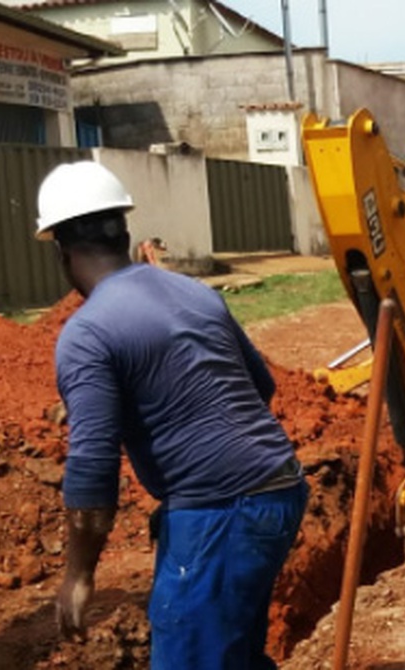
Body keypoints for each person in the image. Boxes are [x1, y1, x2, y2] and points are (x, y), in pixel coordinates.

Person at [36, 161, 307, 669]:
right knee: (234, 652)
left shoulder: (87, 333)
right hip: (281, 489)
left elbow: (93, 465)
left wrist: (78, 576)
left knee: (187, 658)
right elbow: (261, 386)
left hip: (223, 509)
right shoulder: (193, 292)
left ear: (62, 251)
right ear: (126, 231)